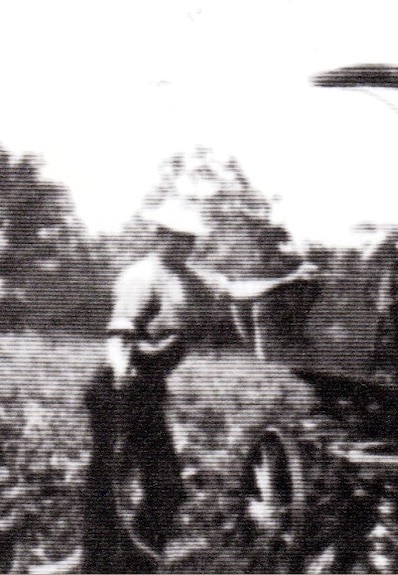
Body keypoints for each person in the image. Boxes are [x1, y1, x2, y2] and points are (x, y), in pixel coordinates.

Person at [82, 198, 316, 573]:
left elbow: (238, 289)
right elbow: (119, 333)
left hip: (149, 390)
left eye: (189, 240)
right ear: (158, 236)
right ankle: (99, 563)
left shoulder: (194, 278)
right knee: (108, 483)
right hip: (117, 387)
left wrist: (286, 281)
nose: (183, 245)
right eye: (175, 238)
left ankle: (135, 560)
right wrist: (121, 370)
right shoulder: (141, 277)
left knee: (166, 488)